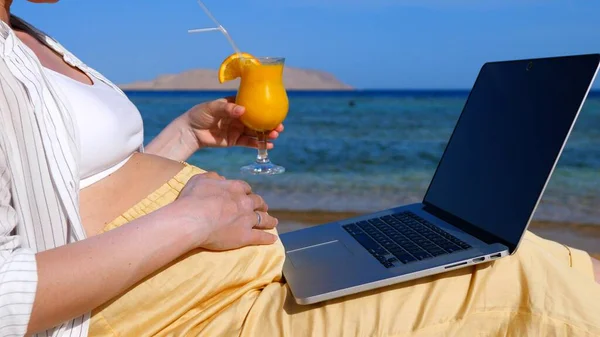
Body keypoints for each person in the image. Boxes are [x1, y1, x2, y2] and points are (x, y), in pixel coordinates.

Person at [0, 1, 598, 336]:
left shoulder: (30, 34)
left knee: (522, 257)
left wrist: (184, 136)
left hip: (253, 280)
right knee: (534, 280)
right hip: (196, 318)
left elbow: (79, 182)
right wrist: (192, 222)